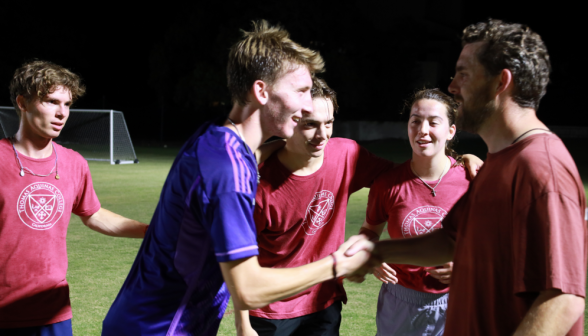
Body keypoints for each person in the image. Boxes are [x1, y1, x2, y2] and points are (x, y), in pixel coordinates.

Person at [101, 21, 372, 336]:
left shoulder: (217, 137)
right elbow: (249, 289)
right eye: (300, 91)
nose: (307, 104)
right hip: (160, 329)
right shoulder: (228, 172)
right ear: (261, 91)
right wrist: (337, 264)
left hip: (145, 321)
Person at [347, 19, 587, 335]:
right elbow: (449, 241)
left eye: (464, 73)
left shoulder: (541, 166)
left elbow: (563, 298)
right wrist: (375, 252)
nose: (452, 86)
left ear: (501, 82)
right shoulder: (497, 162)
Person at [238, 81, 482, 336]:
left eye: (329, 123)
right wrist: (242, 325)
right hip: (272, 309)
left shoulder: (346, 154)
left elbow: (413, 176)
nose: (322, 134)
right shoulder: (258, 187)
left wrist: (466, 160)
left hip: (324, 299)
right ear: (288, 122)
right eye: (310, 124)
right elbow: (239, 262)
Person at [0, 60, 148, 335]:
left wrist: (151, 231)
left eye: (67, 104)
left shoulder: (74, 163)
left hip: (54, 311)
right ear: (22, 103)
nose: (61, 113)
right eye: (51, 101)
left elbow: (93, 214)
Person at [359, 89, 470, 335]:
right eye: (415, 121)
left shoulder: (471, 180)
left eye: (433, 122)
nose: (423, 129)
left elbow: (495, 240)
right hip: (401, 300)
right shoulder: (387, 183)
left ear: (451, 131)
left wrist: (466, 265)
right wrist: (372, 257)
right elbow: (370, 230)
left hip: (460, 295)